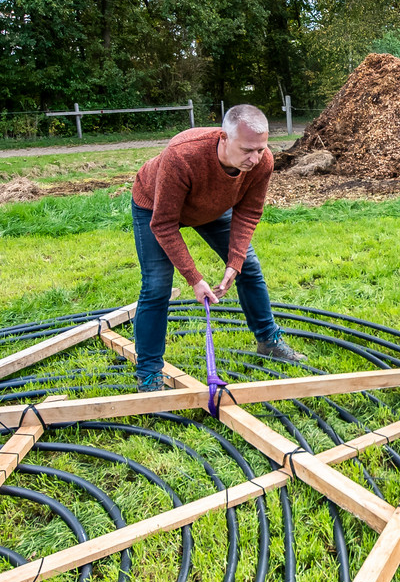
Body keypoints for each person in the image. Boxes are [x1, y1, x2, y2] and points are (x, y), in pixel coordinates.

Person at [130, 104, 304, 392]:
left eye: (260, 149)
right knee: (157, 285)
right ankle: (149, 371)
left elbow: (248, 212)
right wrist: (195, 279)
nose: (255, 158)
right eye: (247, 150)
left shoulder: (263, 161)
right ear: (224, 138)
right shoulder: (182, 154)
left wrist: (234, 262)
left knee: (248, 266)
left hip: (211, 208)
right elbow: (163, 224)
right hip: (155, 206)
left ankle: (268, 341)